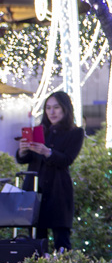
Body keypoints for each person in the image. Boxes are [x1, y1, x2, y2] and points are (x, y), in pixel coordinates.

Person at [15, 91, 84, 253]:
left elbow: (67, 159)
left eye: (56, 107)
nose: (51, 112)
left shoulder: (75, 132)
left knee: (62, 241)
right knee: (36, 241)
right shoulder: (40, 131)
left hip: (57, 190)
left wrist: (47, 152)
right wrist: (23, 151)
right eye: (48, 108)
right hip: (35, 189)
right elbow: (27, 159)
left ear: (66, 109)